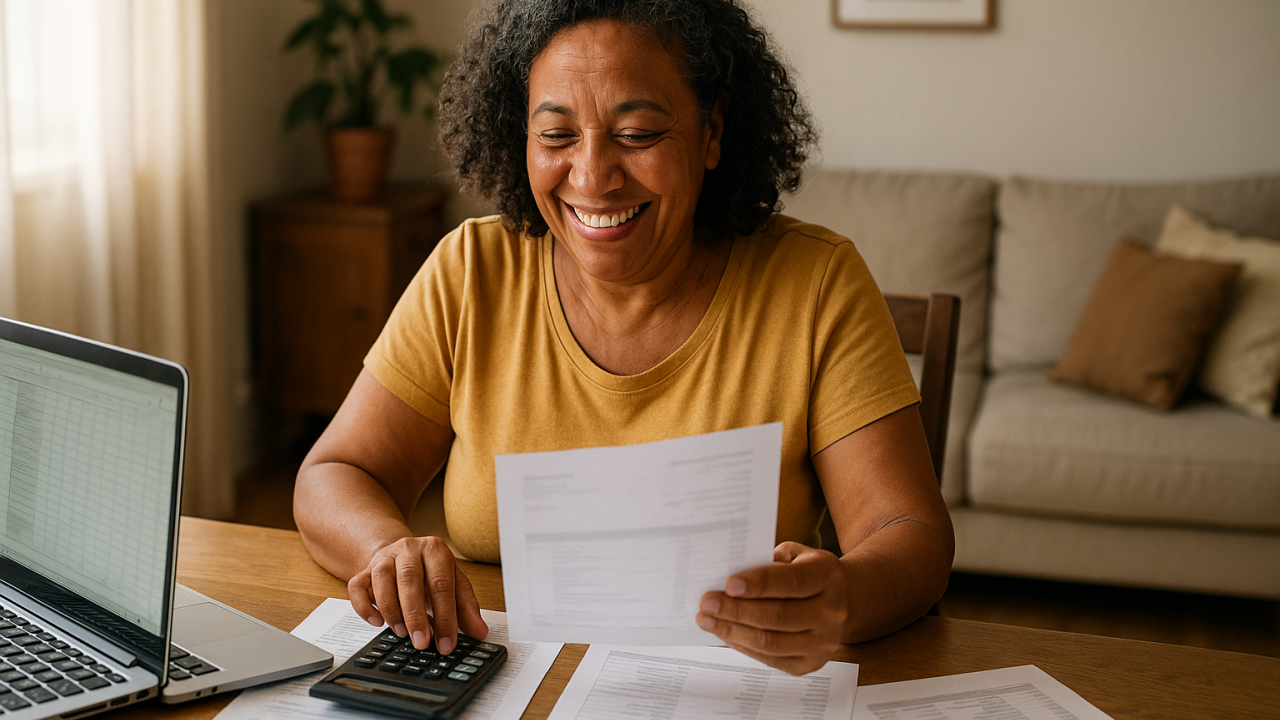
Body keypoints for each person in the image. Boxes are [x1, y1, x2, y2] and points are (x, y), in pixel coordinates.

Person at [294, 0, 954, 676]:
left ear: (712, 131)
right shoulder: (471, 272)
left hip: (733, 688)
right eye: (556, 136)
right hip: (508, 679)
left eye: (636, 133)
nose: (592, 176)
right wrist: (386, 550)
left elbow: (912, 536)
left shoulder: (818, 284)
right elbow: (335, 473)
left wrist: (842, 596)